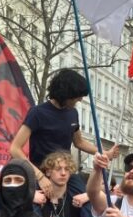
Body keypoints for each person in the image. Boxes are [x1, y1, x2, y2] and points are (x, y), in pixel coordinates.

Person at [9, 69, 118, 200]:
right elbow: (15, 148)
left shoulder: (73, 113)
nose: (80, 100)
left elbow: (80, 142)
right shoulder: (37, 113)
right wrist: (40, 176)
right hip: (42, 172)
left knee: (87, 201)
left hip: (65, 171)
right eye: (77, 97)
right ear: (65, 94)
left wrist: (104, 153)